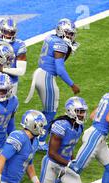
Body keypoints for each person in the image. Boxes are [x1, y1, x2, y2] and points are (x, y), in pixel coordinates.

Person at [25, 18, 80, 151]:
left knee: (47, 110)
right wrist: (72, 85)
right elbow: (60, 69)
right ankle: (40, 140)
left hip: (40, 73)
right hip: (47, 77)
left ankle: (34, 135)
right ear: (61, 32)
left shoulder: (51, 38)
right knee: (50, 112)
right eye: (69, 33)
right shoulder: (60, 45)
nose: (71, 37)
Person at [0, 17, 27, 94]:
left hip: (11, 83)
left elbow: (21, 71)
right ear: (0, 30)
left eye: (11, 33)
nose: (8, 35)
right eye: (6, 32)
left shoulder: (19, 45)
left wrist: (3, 69)